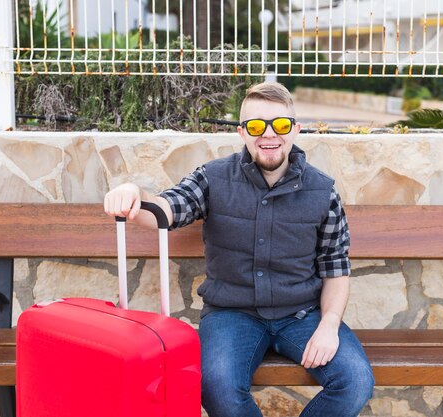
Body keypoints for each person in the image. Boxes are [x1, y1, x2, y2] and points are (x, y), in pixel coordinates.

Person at [103, 82, 374, 417]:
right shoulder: (213, 178)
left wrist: (329, 327)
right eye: (257, 126)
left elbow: (334, 267)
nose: (269, 135)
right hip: (232, 314)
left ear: (296, 129)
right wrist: (132, 195)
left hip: (302, 314)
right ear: (243, 132)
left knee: (356, 381)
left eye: (281, 125)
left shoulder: (323, 191)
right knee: (216, 387)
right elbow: (167, 209)